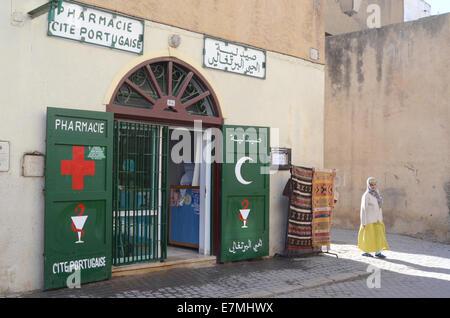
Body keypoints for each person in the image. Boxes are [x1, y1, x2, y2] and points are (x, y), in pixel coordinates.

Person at [358, 177, 388, 259]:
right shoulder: (366, 195)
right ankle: (365, 251)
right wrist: (363, 222)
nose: (373, 186)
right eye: (371, 185)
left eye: (374, 184)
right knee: (368, 236)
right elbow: (363, 209)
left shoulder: (377, 193)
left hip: (378, 219)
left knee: (379, 236)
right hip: (369, 220)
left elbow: (379, 206)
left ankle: (378, 252)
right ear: (368, 185)